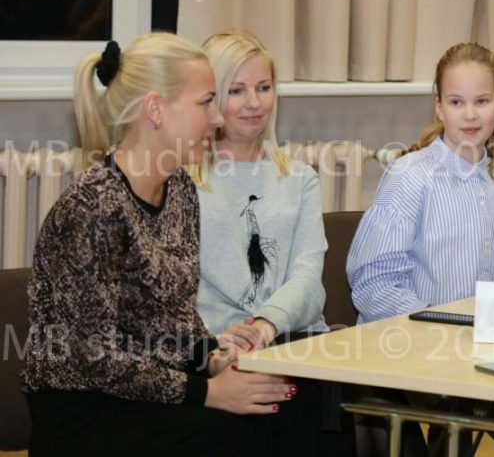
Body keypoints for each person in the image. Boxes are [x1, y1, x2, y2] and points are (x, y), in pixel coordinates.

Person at [22, 34, 295, 457]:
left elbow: (176, 315)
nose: (217, 118)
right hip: (86, 414)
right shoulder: (93, 208)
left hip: (158, 394)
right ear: (155, 109)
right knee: (241, 437)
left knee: (301, 407)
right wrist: (208, 393)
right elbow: (91, 357)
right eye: (206, 102)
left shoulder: (180, 189)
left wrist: (213, 359)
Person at [187, 30, 353, 456]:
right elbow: (180, 289)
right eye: (236, 90)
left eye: (263, 88)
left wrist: (265, 324)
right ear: (210, 99)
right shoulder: (183, 182)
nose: (254, 102)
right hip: (215, 348)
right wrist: (221, 348)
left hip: (291, 337)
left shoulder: (299, 179)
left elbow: (307, 277)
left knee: (322, 405)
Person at [347, 42, 494, 323]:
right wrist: (440, 324)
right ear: (439, 107)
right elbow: (374, 285)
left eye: (482, 101)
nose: (470, 114)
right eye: (456, 102)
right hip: (414, 337)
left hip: (481, 337)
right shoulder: (408, 177)